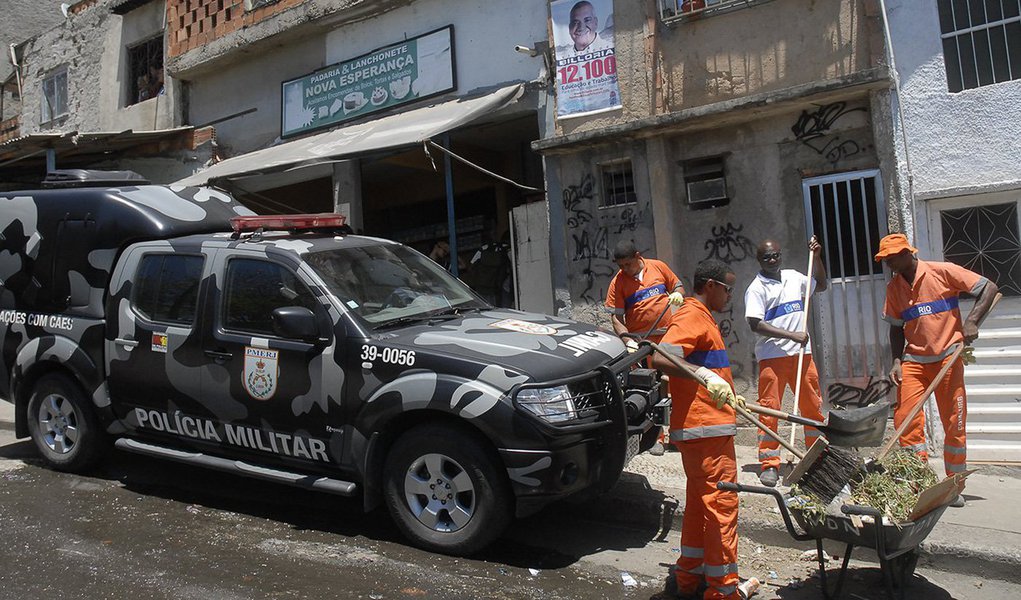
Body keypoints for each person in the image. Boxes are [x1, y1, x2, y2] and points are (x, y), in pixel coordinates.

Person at [877, 233, 998, 507]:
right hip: (914, 361)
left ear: (907, 253)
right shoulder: (894, 287)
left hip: (947, 358)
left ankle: (953, 486)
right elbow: (896, 328)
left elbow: (988, 288)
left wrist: (971, 321)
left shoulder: (942, 272)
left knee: (954, 421)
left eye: (891, 258)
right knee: (906, 421)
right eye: (885, 260)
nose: (888, 264)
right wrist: (896, 361)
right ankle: (917, 483)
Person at [651, 259, 745, 600]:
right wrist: (704, 376)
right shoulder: (692, 315)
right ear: (710, 285)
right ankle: (723, 590)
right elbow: (661, 357)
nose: (730, 295)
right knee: (722, 506)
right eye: (728, 289)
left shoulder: (702, 316)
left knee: (699, 505)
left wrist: (728, 391)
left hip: (704, 427)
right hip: (707, 431)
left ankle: (689, 578)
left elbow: (703, 363)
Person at [743, 236, 828, 487]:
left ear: (781, 255)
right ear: (759, 260)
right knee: (770, 410)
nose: (772, 260)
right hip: (772, 357)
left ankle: (816, 458)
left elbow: (821, 285)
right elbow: (755, 324)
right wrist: (792, 335)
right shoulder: (756, 288)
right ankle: (770, 464)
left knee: (812, 408)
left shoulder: (793, 277)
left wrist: (817, 257)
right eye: (767, 257)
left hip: (802, 354)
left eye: (775, 256)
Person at [604, 239, 685, 348]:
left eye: (628, 264)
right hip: (642, 342)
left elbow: (678, 287)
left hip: (668, 335)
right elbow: (616, 319)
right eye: (621, 266)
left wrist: (678, 294)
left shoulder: (658, 266)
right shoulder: (617, 283)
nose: (625, 269)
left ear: (637, 256)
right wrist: (628, 341)